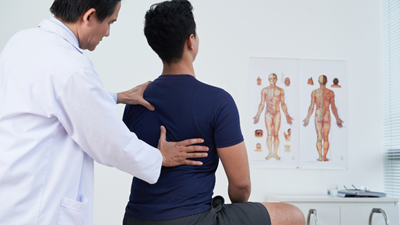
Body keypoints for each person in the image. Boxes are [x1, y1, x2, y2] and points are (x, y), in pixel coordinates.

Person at [0, 0, 209, 224]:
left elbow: (49, 100)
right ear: (89, 16)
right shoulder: (71, 67)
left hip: (13, 196)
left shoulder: (22, 41)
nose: (108, 33)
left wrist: (116, 97)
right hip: (40, 209)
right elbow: (110, 142)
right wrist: (160, 156)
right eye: (110, 22)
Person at [122, 1, 305, 224]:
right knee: (293, 215)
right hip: (193, 220)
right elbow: (241, 185)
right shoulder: (218, 101)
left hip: (134, 219)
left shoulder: (135, 101)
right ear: (191, 40)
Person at [303, 75, 344, 161]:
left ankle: (321, 156)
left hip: (319, 115)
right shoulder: (330, 92)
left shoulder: (315, 92)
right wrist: (337, 118)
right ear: (327, 81)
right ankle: (323, 156)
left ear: (318, 81)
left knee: (320, 137)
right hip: (326, 115)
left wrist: (307, 117)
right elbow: (332, 106)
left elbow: (312, 106)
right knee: (325, 137)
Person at [253, 73, 293, 160]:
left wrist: (287, 115)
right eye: (270, 78)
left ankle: (275, 153)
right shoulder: (264, 90)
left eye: (274, 78)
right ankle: (270, 153)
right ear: (268, 79)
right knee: (269, 134)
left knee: (276, 134)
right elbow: (262, 103)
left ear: (276, 79)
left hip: (277, 113)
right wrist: (257, 115)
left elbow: (283, 104)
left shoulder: (280, 90)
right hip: (268, 113)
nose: (272, 80)